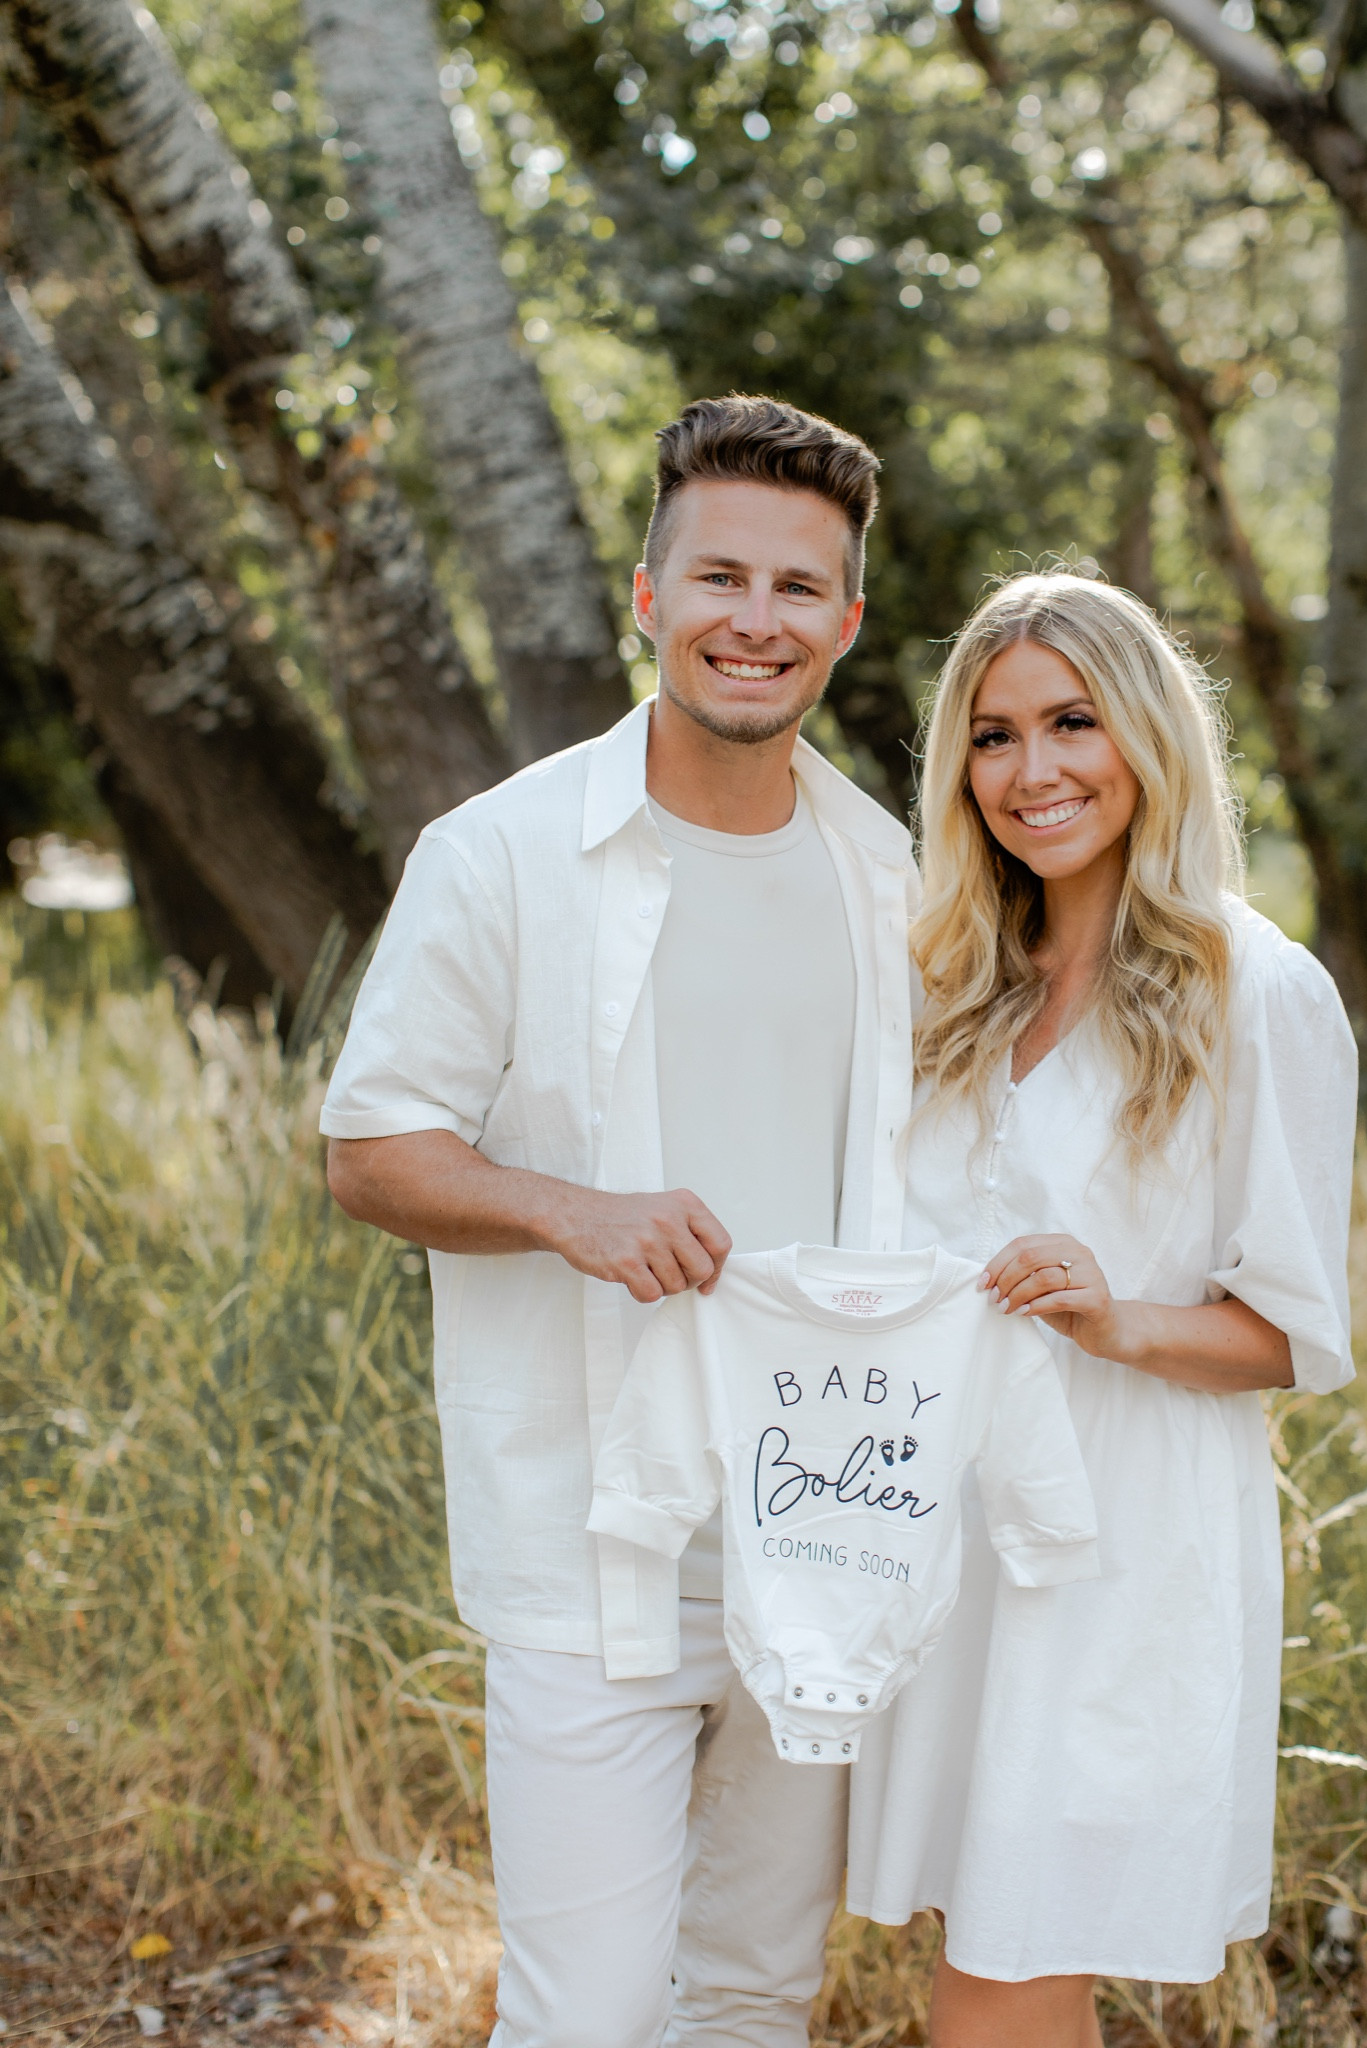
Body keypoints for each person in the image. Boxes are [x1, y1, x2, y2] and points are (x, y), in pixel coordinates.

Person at [321, 394, 919, 2047]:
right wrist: (569, 1212)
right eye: (718, 577)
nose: (756, 620)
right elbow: (369, 1150)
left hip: (824, 1527)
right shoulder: (503, 855)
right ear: (648, 598)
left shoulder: (898, 881)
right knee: (585, 2019)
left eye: (798, 590)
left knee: (750, 1994)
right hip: (594, 1537)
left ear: (846, 626)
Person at [845, 569, 1358, 2047]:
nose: (1031, 770)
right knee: (1001, 1944)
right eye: (992, 737)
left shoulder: (1249, 988)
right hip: (944, 1541)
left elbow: (1285, 1337)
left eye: (1071, 721)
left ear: (1145, 735)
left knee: (1001, 1969)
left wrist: (1110, 1314)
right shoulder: (958, 987)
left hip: (1119, 1553)